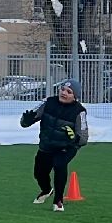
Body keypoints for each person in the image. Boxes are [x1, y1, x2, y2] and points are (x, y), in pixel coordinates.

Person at [21, 79, 88, 213]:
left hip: (67, 147)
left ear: (75, 97)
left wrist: (73, 137)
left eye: (69, 92)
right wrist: (26, 120)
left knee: (59, 165)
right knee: (39, 172)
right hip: (47, 145)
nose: (64, 93)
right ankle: (46, 190)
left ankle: (58, 200)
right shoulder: (48, 103)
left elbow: (84, 138)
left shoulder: (79, 111)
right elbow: (28, 120)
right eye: (63, 89)